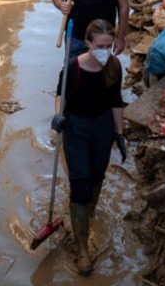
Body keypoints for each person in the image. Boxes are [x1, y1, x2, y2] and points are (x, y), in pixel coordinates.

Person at [51, 19, 127, 275]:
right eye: (100, 45)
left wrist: (120, 134)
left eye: (109, 45)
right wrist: (58, 115)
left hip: (103, 126)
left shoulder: (114, 66)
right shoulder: (74, 68)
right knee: (81, 181)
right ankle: (81, 247)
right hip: (77, 128)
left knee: (97, 175)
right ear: (88, 44)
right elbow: (60, 94)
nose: (105, 50)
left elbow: (116, 101)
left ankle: (86, 216)